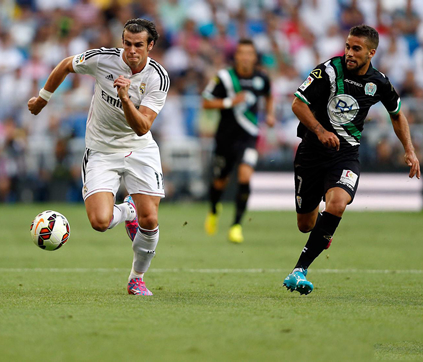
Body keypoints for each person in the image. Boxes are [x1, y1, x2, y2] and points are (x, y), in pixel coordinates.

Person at [28, 18, 170, 296]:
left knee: (150, 219)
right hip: (101, 149)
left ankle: (136, 278)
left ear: (150, 46)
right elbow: (66, 64)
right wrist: (43, 98)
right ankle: (128, 210)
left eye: (138, 45)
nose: (131, 50)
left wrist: (126, 98)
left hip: (139, 148)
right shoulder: (102, 59)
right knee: (100, 223)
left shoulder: (157, 77)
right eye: (127, 43)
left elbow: (142, 128)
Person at [283, 25, 421, 295]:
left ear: (371, 52)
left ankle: (299, 270)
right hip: (311, 152)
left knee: (337, 204)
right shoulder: (328, 71)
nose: (349, 53)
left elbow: (397, 114)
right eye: (347, 46)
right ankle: (323, 231)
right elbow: (297, 104)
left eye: (356, 49)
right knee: (306, 225)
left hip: (345, 155)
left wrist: (409, 149)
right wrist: (321, 131)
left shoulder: (379, 82)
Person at [202, 38, 275, 243]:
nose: (245, 57)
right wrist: (229, 102)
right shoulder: (224, 78)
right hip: (225, 137)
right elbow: (206, 102)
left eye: (249, 53)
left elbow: (269, 95)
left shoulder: (262, 78)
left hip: (249, 136)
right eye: (242, 53)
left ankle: (236, 225)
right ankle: (214, 209)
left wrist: (269, 115)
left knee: (245, 176)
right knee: (220, 181)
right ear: (236, 56)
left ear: (254, 57)